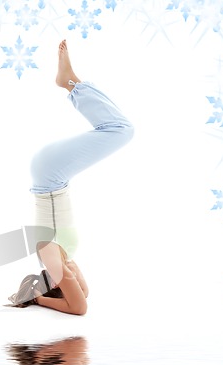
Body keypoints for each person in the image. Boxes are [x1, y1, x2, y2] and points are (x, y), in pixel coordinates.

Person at [7, 40, 134, 315]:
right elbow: (84, 294)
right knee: (119, 129)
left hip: (49, 175)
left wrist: (35, 299)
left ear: (53, 285)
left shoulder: (51, 259)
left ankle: (70, 82)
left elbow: (79, 308)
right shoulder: (65, 260)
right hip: (54, 176)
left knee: (121, 130)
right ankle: (71, 83)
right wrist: (42, 295)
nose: (74, 279)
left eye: (68, 282)